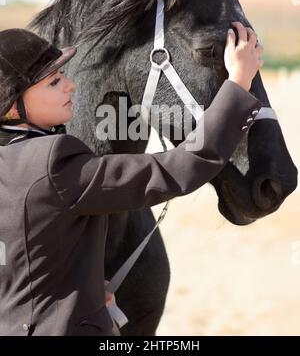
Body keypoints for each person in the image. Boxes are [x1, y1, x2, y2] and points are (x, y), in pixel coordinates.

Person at [0, 23, 263, 336]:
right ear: (14, 108)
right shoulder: (53, 160)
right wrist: (238, 84)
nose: (70, 85)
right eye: (54, 81)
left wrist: (79, 290)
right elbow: (180, 167)